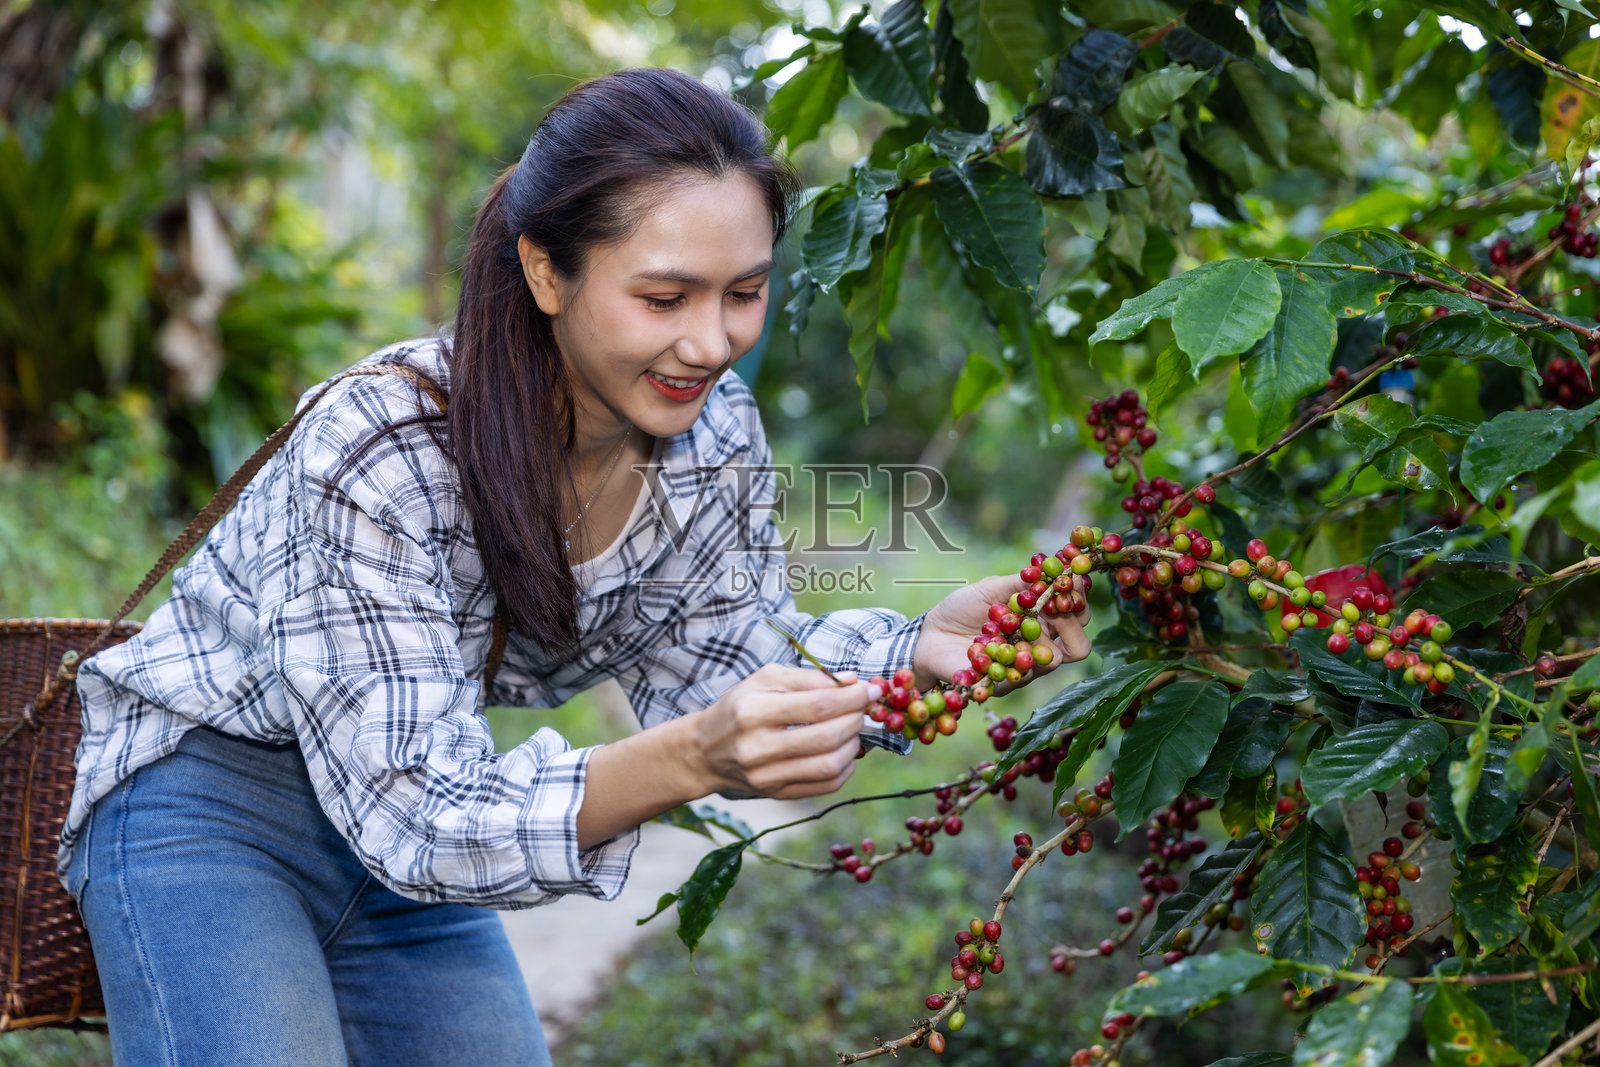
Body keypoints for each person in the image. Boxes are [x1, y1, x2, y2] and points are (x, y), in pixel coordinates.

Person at [60, 68, 1091, 1065]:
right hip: (213, 807)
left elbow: (730, 660)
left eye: (744, 292)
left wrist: (918, 650)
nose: (711, 342)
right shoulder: (379, 446)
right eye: (665, 296)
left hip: (409, 823)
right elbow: (422, 816)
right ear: (546, 271)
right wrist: (688, 760)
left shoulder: (712, 432)